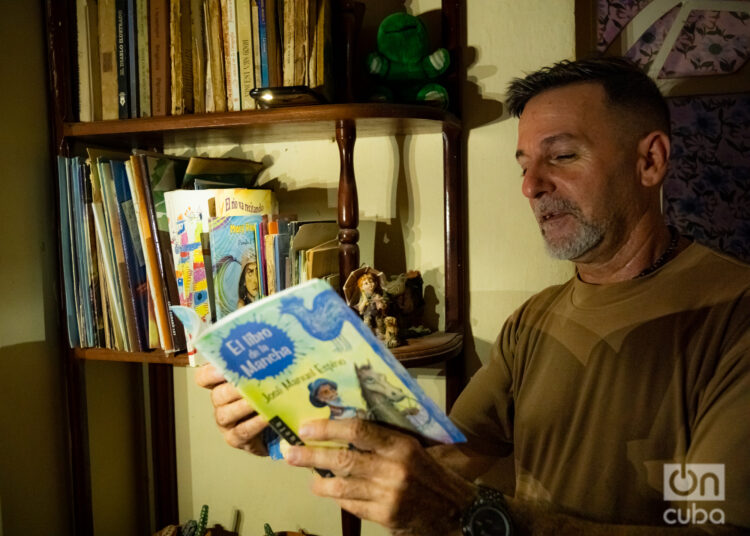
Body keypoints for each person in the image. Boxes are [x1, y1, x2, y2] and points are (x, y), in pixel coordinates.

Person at [196, 57, 750, 535]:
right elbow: (449, 460)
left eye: (561, 156)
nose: (531, 186)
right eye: (525, 164)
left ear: (649, 161)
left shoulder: (733, 315)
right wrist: (295, 419)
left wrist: (469, 515)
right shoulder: (533, 320)